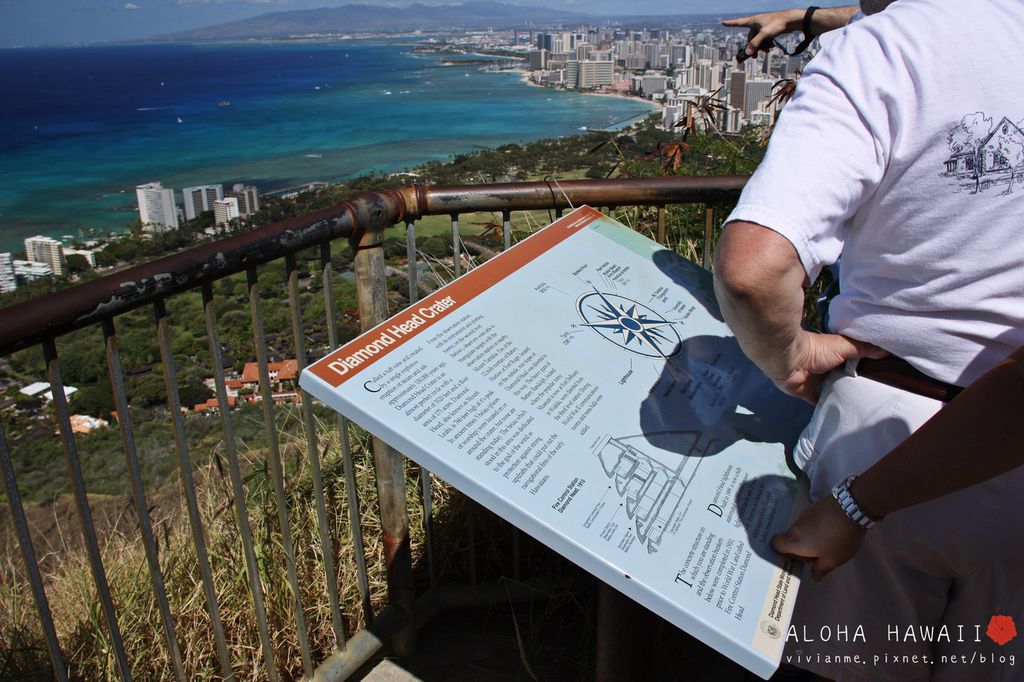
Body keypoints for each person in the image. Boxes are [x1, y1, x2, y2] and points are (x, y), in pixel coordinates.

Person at [716, 1, 1024, 680]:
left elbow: (753, 270)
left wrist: (790, 358)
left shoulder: (883, 50)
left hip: (885, 447)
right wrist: (814, 17)